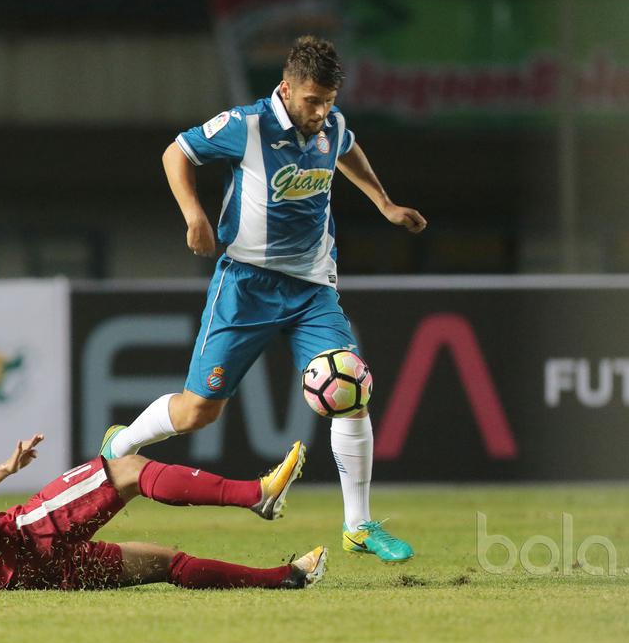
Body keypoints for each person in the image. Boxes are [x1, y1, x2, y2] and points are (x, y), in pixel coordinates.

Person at [99, 36, 427, 563]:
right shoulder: (246, 125)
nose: (321, 112)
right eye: (312, 101)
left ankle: (359, 524)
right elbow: (175, 153)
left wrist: (384, 203)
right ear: (286, 89)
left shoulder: (333, 126)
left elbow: (347, 149)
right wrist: (195, 216)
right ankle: (122, 442)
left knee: (348, 385)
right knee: (196, 412)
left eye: (329, 100)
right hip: (246, 284)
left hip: (313, 287)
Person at [0, 407, 325, 592]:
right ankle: (258, 495)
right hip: (26, 540)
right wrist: (4, 469)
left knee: (164, 562)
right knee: (128, 470)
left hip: (18, 583)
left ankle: (286, 577)